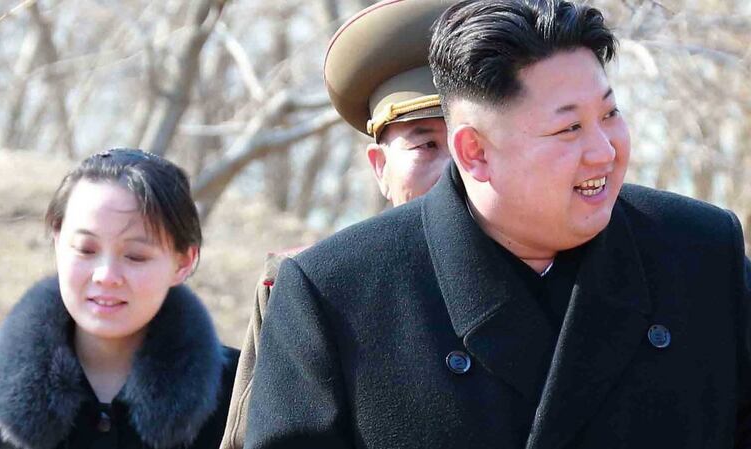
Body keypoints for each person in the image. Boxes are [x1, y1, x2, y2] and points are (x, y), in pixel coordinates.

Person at [244, 0, 751, 447]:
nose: (604, 151)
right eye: (569, 127)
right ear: (475, 152)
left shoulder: (702, 253)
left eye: (610, 114)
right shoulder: (334, 294)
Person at [219, 1, 452, 448]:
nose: (453, 169)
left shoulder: (565, 272)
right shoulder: (313, 287)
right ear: (380, 167)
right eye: (426, 145)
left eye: (472, 142)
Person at [0, 149, 240, 449]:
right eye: (86, 250)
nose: (106, 275)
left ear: (183, 263)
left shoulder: (239, 393)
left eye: (135, 256)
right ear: (57, 242)